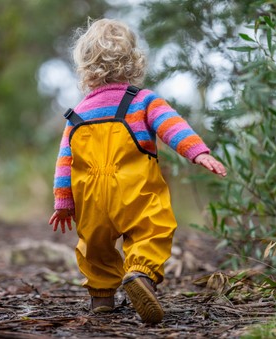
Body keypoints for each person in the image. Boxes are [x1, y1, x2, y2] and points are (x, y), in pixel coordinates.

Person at [49, 18, 226, 324]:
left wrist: (63, 202)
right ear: (133, 61)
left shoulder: (77, 114)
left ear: (86, 67)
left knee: (95, 246)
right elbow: (172, 127)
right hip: (135, 190)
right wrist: (198, 152)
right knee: (152, 229)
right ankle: (141, 273)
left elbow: (65, 160)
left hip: (91, 199)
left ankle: (102, 296)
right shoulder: (143, 101)